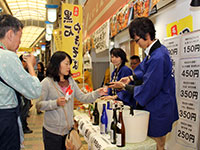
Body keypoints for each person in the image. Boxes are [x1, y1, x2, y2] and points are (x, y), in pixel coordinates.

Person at [109, 17, 179, 150]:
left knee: (156, 144)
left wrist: (124, 86)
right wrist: (130, 78)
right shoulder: (155, 52)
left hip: (159, 107)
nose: (137, 44)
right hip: (158, 105)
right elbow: (144, 71)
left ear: (146, 35)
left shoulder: (158, 56)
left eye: (137, 40)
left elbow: (149, 87)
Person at [36, 51, 107, 150]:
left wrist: (97, 93)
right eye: (66, 64)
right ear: (57, 64)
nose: (69, 67)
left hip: (68, 131)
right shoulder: (46, 83)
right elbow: (39, 105)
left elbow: (83, 97)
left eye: (69, 64)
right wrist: (55, 103)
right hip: (52, 132)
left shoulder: (71, 81)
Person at [0, 14, 41, 150]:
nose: (20, 42)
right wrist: (31, 65)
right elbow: (34, 91)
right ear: (10, 34)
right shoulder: (7, 57)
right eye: (20, 37)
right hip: (5, 118)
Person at [19, 55, 33, 134]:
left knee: (25, 110)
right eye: (25, 61)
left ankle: (24, 126)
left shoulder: (26, 70)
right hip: (22, 94)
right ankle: (23, 127)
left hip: (26, 94)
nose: (26, 63)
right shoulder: (19, 70)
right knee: (23, 112)